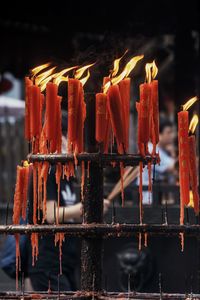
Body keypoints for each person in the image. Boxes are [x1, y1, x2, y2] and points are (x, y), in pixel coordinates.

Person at [27, 114, 110, 291]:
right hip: (48, 265)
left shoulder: (66, 174)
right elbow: (51, 215)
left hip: (66, 263)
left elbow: (71, 213)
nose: (73, 146)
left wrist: (91, 209)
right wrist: (84, 208)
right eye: (69, 138)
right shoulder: (46, 171)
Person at [137, 119, 177, 204]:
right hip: (149, 198)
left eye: (172, 132)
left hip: (156, 196)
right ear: (159, 134)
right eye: (168, 132)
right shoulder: (151, 150)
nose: (172, 136)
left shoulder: (162, 151)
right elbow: (175, 167)